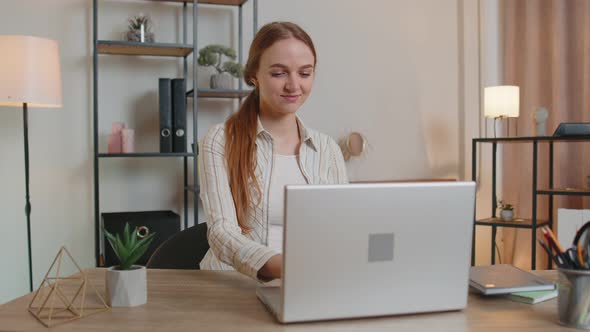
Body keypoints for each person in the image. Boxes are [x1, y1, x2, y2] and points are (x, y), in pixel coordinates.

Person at [198, 22, 348, 281]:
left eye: (304, 73)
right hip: (231, 287)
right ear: (254, 74)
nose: (294, 85)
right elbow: (221, 232)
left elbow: (342, 229)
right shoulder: (221, 140)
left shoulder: (328, 149)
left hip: (306, 285)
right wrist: (284, 268)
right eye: (279, 73)